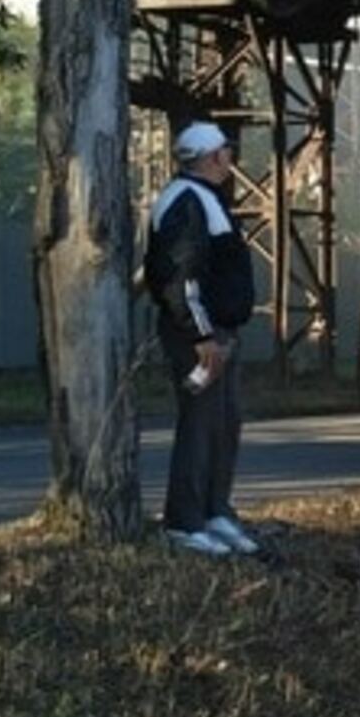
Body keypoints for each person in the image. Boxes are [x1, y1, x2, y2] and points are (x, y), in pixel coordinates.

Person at [145, 122, 258, 557]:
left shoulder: (204, 198)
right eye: (225, 151)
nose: (230, 158)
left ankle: (215, 512)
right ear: (214, 157)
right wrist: (201, 334)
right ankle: (184, 521)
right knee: (201, 424)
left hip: (219, 331)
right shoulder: (186, 201)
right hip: (198, 334)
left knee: (224, 423)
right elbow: (179, 274)